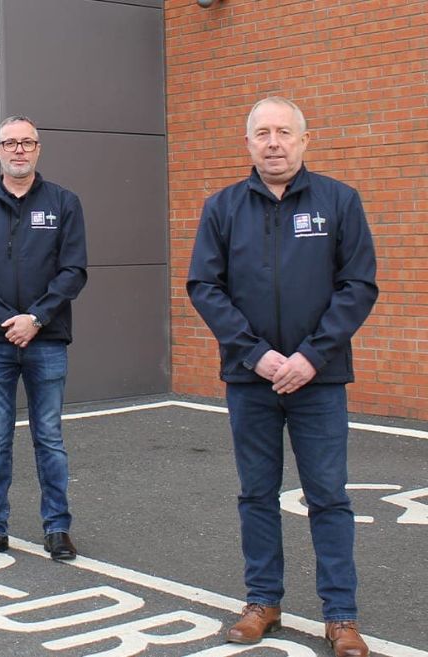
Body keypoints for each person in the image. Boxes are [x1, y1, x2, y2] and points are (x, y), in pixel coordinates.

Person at [187, 96, 377, 657]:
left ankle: (340, 616)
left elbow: (358, 285)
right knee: (257, 495)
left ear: (304, 140)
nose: (274, 142)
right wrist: (256, 355)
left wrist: (312, 356)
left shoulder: (339, 201)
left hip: (318, 380)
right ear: (247, 143)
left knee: (329, 497)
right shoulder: (222, 207)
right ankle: (263, 601)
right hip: (253, 381)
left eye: (284, 133)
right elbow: (205, 286)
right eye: (262, 133)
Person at [0, 115, 88, 563]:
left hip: (47, 339)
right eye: (9, 143)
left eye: (27, 142)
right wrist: (9, 319)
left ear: (38, 149)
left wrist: (37, 318)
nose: (18, 150)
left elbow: (73, 270)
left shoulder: (64, 203)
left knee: (48, 435)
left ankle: (57, 528)